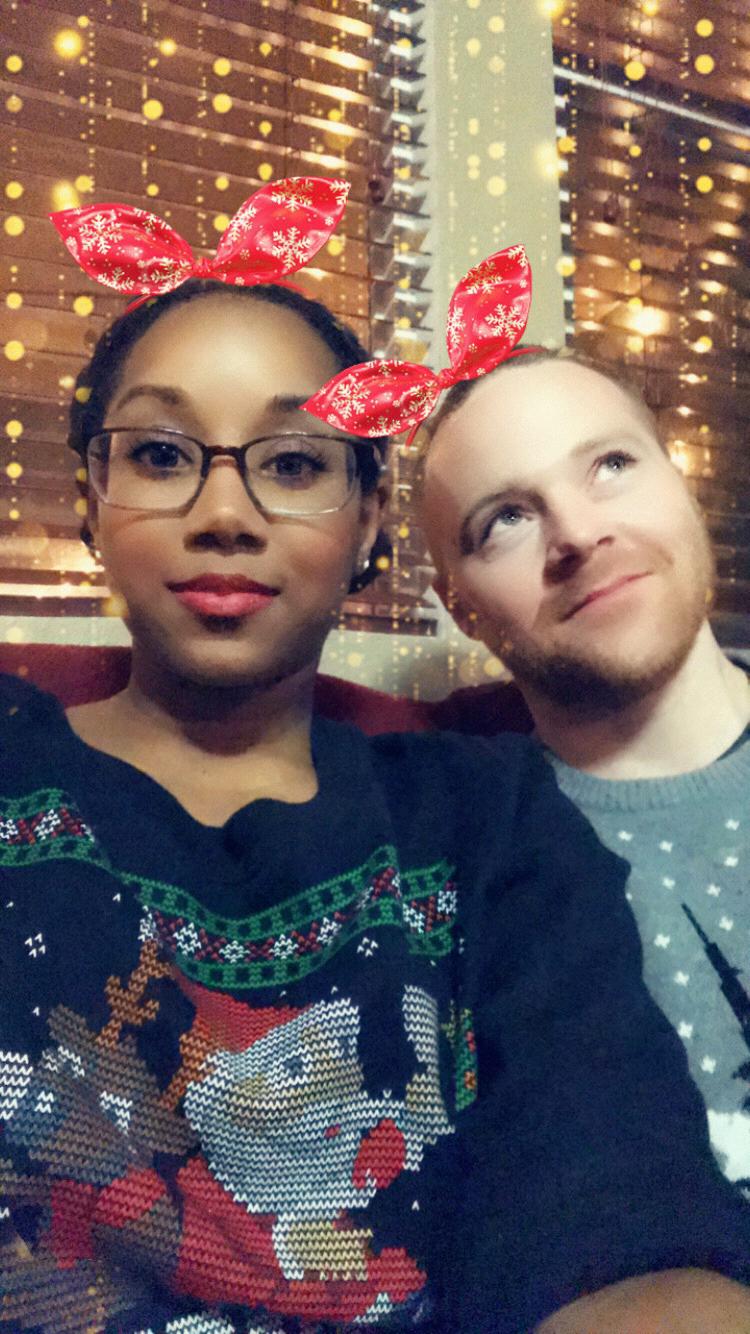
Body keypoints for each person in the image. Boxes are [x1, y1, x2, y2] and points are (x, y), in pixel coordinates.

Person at [1, 212, 749, 1334]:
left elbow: (621, 1224)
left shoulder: (483, 819)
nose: (224, 514)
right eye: (160, 454)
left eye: (293, 462)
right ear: (89, 501)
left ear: (367, 526)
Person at [418, 346, 750, 1214]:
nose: (576, 535)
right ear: (460, 606)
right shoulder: (461, 864)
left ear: (682, 484)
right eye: (506, 519)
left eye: (610, 465)